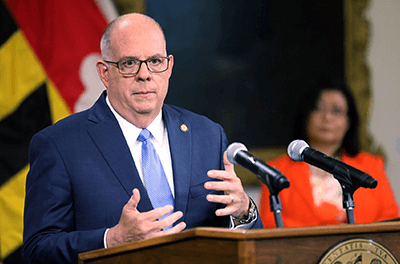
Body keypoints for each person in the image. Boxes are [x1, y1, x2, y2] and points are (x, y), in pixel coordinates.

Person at [22, 13, 263, 264]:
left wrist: (243, 211)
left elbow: (245, 244)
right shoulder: (58, 144)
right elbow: (37, 250)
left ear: (169, 66)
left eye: (155, 61)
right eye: (129, 63)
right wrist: (111, 239)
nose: (145, 74)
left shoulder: (207, 135)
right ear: (105, 73)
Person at [259, 80, 399, 228]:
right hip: (302, 250)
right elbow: (269, 222)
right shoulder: (276, 169)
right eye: (318, 108)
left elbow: (390, 220)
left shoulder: (371, 166)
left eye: (337, 111)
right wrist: (323, 235)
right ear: (306, 116)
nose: (327, 117)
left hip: (360, 250)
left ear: (349, 121)